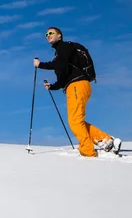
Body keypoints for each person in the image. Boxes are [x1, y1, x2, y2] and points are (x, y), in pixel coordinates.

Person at [34, 26, 122, 157]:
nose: (48, 35)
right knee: (77, 121)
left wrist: (40, 65)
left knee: (75, 121)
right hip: (76, 86)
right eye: (46, 34)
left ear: (59, 36)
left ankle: (88, 151)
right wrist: (52, 86)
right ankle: (106, 140)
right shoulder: (60, 53)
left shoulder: (64, 47)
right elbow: (63, 78)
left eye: (51, 33)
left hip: (77, 86)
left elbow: (60, 64)